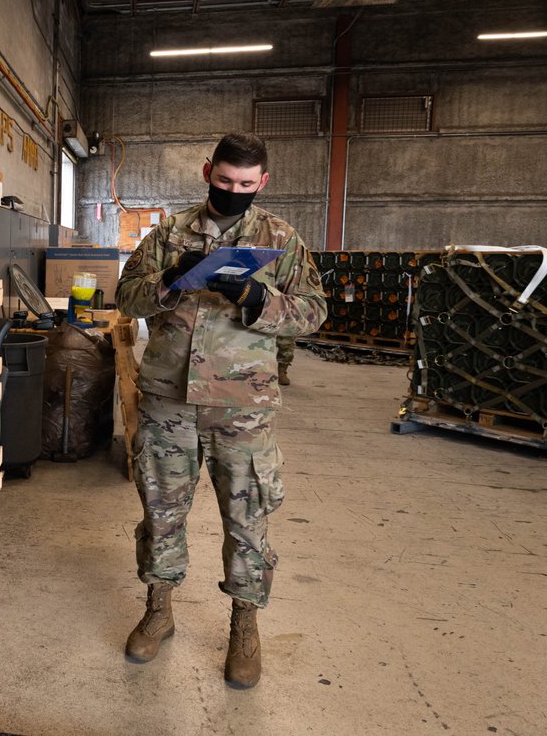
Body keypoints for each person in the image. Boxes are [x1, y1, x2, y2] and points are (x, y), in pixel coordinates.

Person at [115, 132, 326, 688]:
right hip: (169, 399)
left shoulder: (280, 239)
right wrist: (169, 280)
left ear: (263, 183)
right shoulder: (168, 233)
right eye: (224, 181)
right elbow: (125, 297)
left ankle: (244, 626)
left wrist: (259, 299)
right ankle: (159, 610)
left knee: (247, 518)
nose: (234, 192)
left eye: (245, 185)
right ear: (208, 171)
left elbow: (313, 313)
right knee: (161, 511)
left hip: (243, 406)